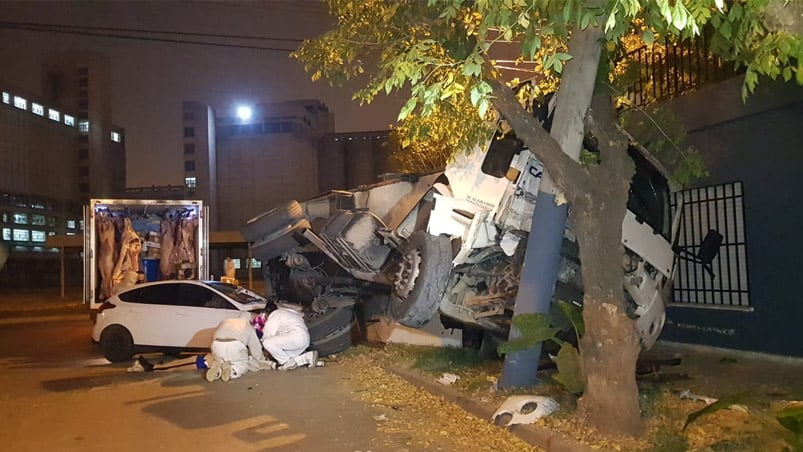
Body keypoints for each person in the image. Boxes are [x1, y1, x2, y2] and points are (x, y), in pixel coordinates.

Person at [206, 311, 274, 382]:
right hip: (235, 344)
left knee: (221, 359)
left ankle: (217, 368)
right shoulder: (248, 326)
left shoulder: (225, 321)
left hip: (216, 344)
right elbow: (255, 348)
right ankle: (231, 371)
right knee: (241, 364)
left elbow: (214, 336)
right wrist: (261, 360)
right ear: (249, 321)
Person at [258, 301, 318, 370]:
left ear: (266, 313)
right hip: (304, 340)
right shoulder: (288, 312)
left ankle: (285, 363)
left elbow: (267, 334)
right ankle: (308, 357)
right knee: (286, 355)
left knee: (267, 342)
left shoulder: (274, 314)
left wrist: (262, 348)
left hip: (296, 338)